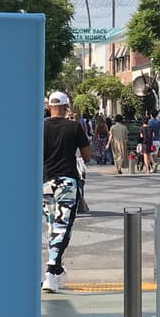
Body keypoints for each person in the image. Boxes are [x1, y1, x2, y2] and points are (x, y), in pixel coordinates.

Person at [43, 92, 92, 293]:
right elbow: (87, 156)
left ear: (49, 106)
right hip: (67, 181)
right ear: (65, 107)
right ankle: (51, 271)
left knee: (52, 226)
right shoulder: (74, 127)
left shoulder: (40, 127)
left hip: (45, 181)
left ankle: (57, 269)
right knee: (63, 226)